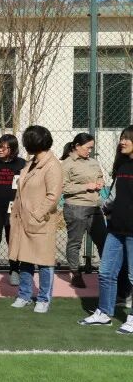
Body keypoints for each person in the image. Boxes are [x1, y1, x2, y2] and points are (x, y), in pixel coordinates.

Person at [81, 126, 133, 332]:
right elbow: (113, 197)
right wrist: (106, 208)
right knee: (105, 273)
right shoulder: (123, 167)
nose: (122, 141)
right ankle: (104, 313)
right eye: (121, 138)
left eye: (127, 138)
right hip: (115, 230)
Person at [8, 125, 62, 314]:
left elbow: (53, 196)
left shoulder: (52, 165)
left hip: (40, 222)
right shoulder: (30, 163)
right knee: (25, 259)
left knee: (44, 262)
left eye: (26, 141)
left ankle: (44, 299)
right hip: (23, 220)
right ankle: (24, 295)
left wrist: (36, 215)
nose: (24, 144)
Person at [61, 133, 106, 289]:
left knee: (103, 241)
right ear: (77, 146)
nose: (90, 151)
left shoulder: (93, 162)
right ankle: (76, 273)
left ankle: (107, 273)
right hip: (76, 207)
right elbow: (63, 187)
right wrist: (86, 186)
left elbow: (100, 176)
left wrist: (100, 182)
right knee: (75, 243)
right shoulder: (67, 164)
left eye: (92, 148)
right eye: (88, 148)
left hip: (95, 207)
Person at [0, 134, 27, 286]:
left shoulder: (21, 164)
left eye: (3, 147)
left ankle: (14, 271)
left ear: (12, 149)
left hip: (14, 209)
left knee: (13, 240)